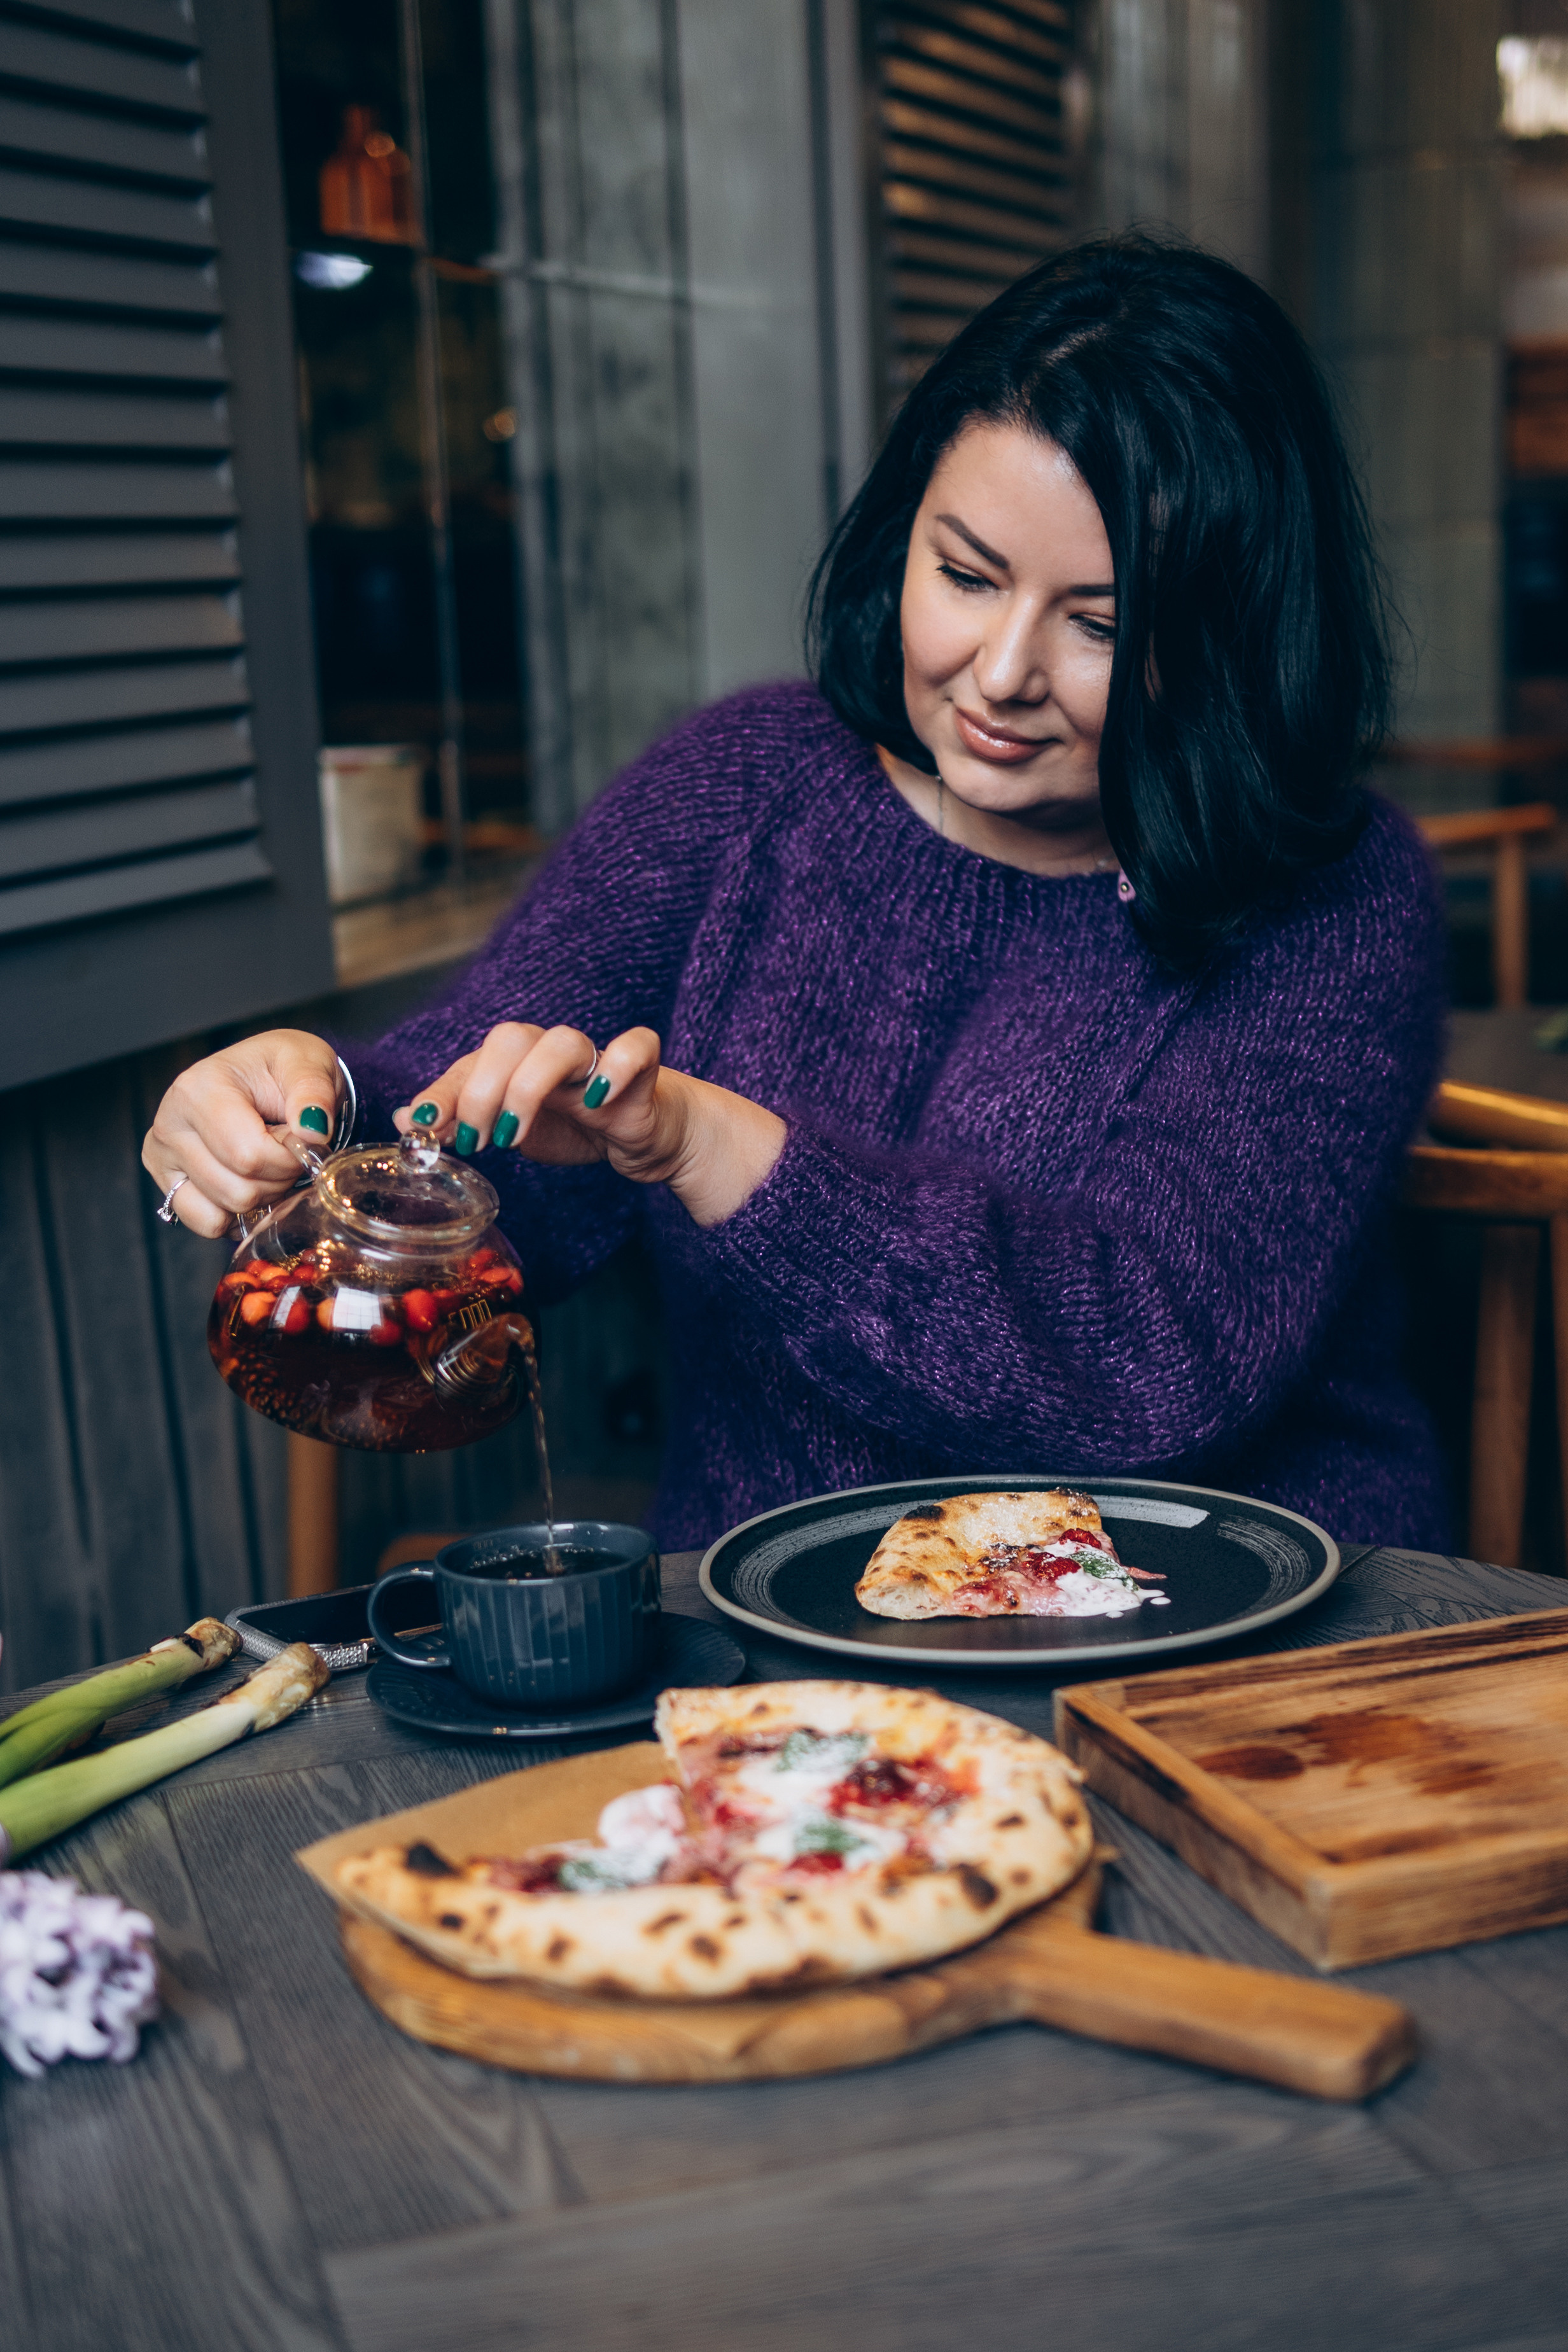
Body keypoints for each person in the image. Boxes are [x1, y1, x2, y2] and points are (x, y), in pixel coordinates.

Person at [144, 234, 1449, 1551]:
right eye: (965, 574)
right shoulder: (747, 788)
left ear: (1228, 635)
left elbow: (1143, 1365)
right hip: (784, 1630)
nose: (1000, 672)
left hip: (1222, 1634)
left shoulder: (1333, 900)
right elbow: (493, 1150)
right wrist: (302, 1116)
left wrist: (716, 1150)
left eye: (1098, 626)